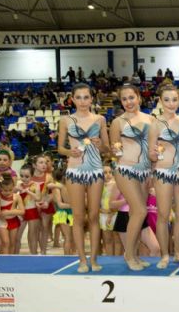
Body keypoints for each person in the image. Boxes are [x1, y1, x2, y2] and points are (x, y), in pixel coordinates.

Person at [57, 83, 109, 273]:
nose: (82, 101)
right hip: (74, 171)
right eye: (78, 97)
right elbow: (60, 148)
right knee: (78, 217)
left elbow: (108, 149)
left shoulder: (100, 119)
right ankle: (82, 260)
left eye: (86, 97)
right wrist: (69, 151)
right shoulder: (65, 120)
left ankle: (94, 259)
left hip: (95, 171)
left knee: (94, 216)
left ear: (91, 99)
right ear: (72, 99)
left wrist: (100, 143)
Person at [110, 84, 154, 271]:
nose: (128, 102)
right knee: (139, 211)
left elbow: (154, 150)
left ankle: (134, 253)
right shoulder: (117, 122)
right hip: (126, 169)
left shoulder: (151, 120)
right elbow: (115, 151)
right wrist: (115, 151)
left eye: (131, 97)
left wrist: (151, 171)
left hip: (145, 171)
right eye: (124, 99)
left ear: (139, 98)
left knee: (135, 213)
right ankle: (128, 254)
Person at [148, 84, 179, 269]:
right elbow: (150, 153)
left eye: (174, 100)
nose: (171, 104)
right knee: (163, 215)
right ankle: (165, 255)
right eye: (167, 100)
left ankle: (178, 252)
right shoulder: (155, 124)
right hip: (163, 172)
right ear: (160, 101)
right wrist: (155, 154)